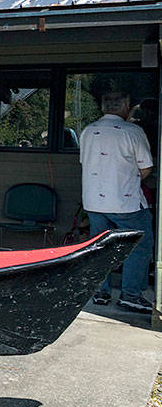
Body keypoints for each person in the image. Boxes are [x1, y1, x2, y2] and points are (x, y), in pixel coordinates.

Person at [82, 91, 155, 313]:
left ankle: (100, 292)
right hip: (125, 202)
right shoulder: (132, 131)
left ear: (104, 108)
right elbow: (146, 168)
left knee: (100, 247)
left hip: (94, 201)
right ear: (125, 107)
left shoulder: (87, 131)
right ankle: (131, 294)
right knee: (139, 245)